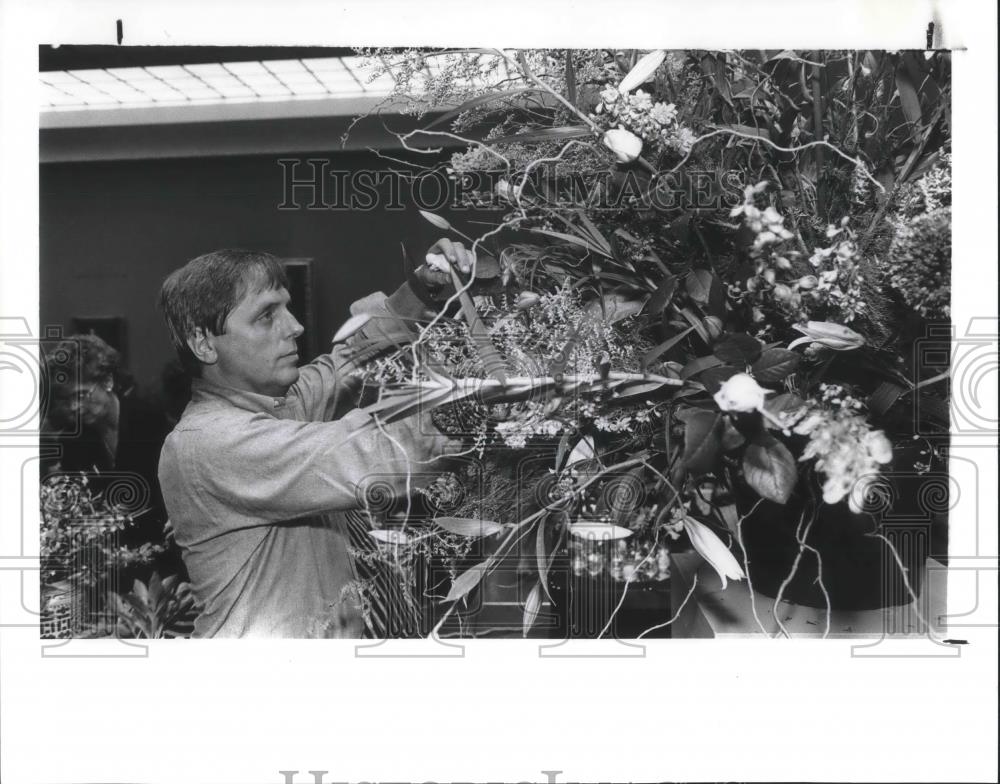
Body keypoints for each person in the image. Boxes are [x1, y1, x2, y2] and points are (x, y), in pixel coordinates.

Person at [156, 241, 473, 638]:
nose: (294, 326)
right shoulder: (208, 443)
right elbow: (380, 456)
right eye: (266, 316)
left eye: (286, 308)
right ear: (203, 343)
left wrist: (424, 288)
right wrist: (488, 399)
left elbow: (351, 360)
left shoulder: (272, 404)